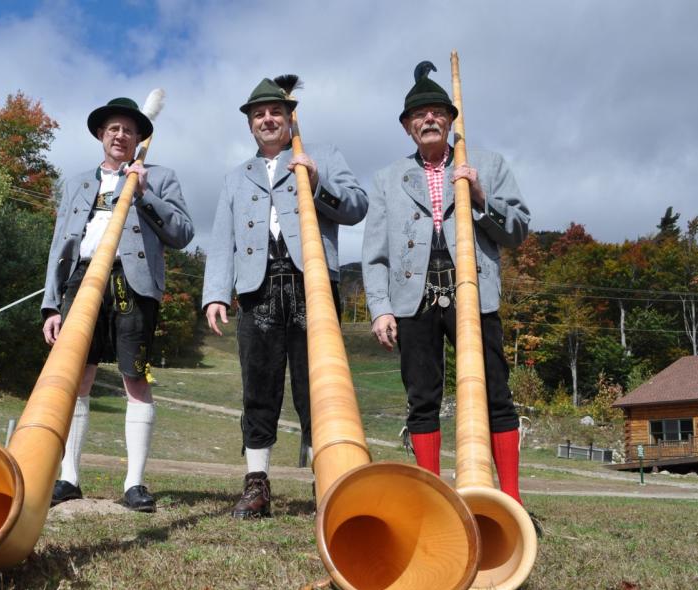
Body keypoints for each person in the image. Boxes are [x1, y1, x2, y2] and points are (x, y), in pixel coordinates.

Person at [361, 63, 530, 504]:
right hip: (413, 301)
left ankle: (509, 503)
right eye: (419, 115)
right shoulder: (386, 179)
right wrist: (380, 307)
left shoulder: (486, 165)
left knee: (496, 393)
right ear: (407, 127)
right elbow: (375, 253)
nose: (429, 120)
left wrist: (480, 198)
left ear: (452, 120)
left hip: (475, 296)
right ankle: (430, 501)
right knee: (422, 397)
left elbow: (518, 230)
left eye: (437, 112)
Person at [202, 77, 368, 518]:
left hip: (312, 282)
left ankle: (326, 482)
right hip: (256, 289)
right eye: (259, 115)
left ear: (290, 117)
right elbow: (221, 240)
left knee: (318, 388)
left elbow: (357, 207)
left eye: (275, 112)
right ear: (250, 125)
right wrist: (216, 293)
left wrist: (316, 181)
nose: (267, 120)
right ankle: (256, 487)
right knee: (258, 387)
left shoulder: (324, 156)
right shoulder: (236, 177)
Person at [41, 97, 194, 512]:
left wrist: (143, 194)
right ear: (100, 134)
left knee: (135, 379)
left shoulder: (160, 177)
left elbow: (183, 233)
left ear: (139, 137)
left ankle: (134, 484)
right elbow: (59, 244)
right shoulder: (76, 183)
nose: (120, 135)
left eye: (129, 129)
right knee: (78, 378)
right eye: (113, 129)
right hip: (81, 279)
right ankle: (69, 477)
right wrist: (51, 305)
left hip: (134, 282)